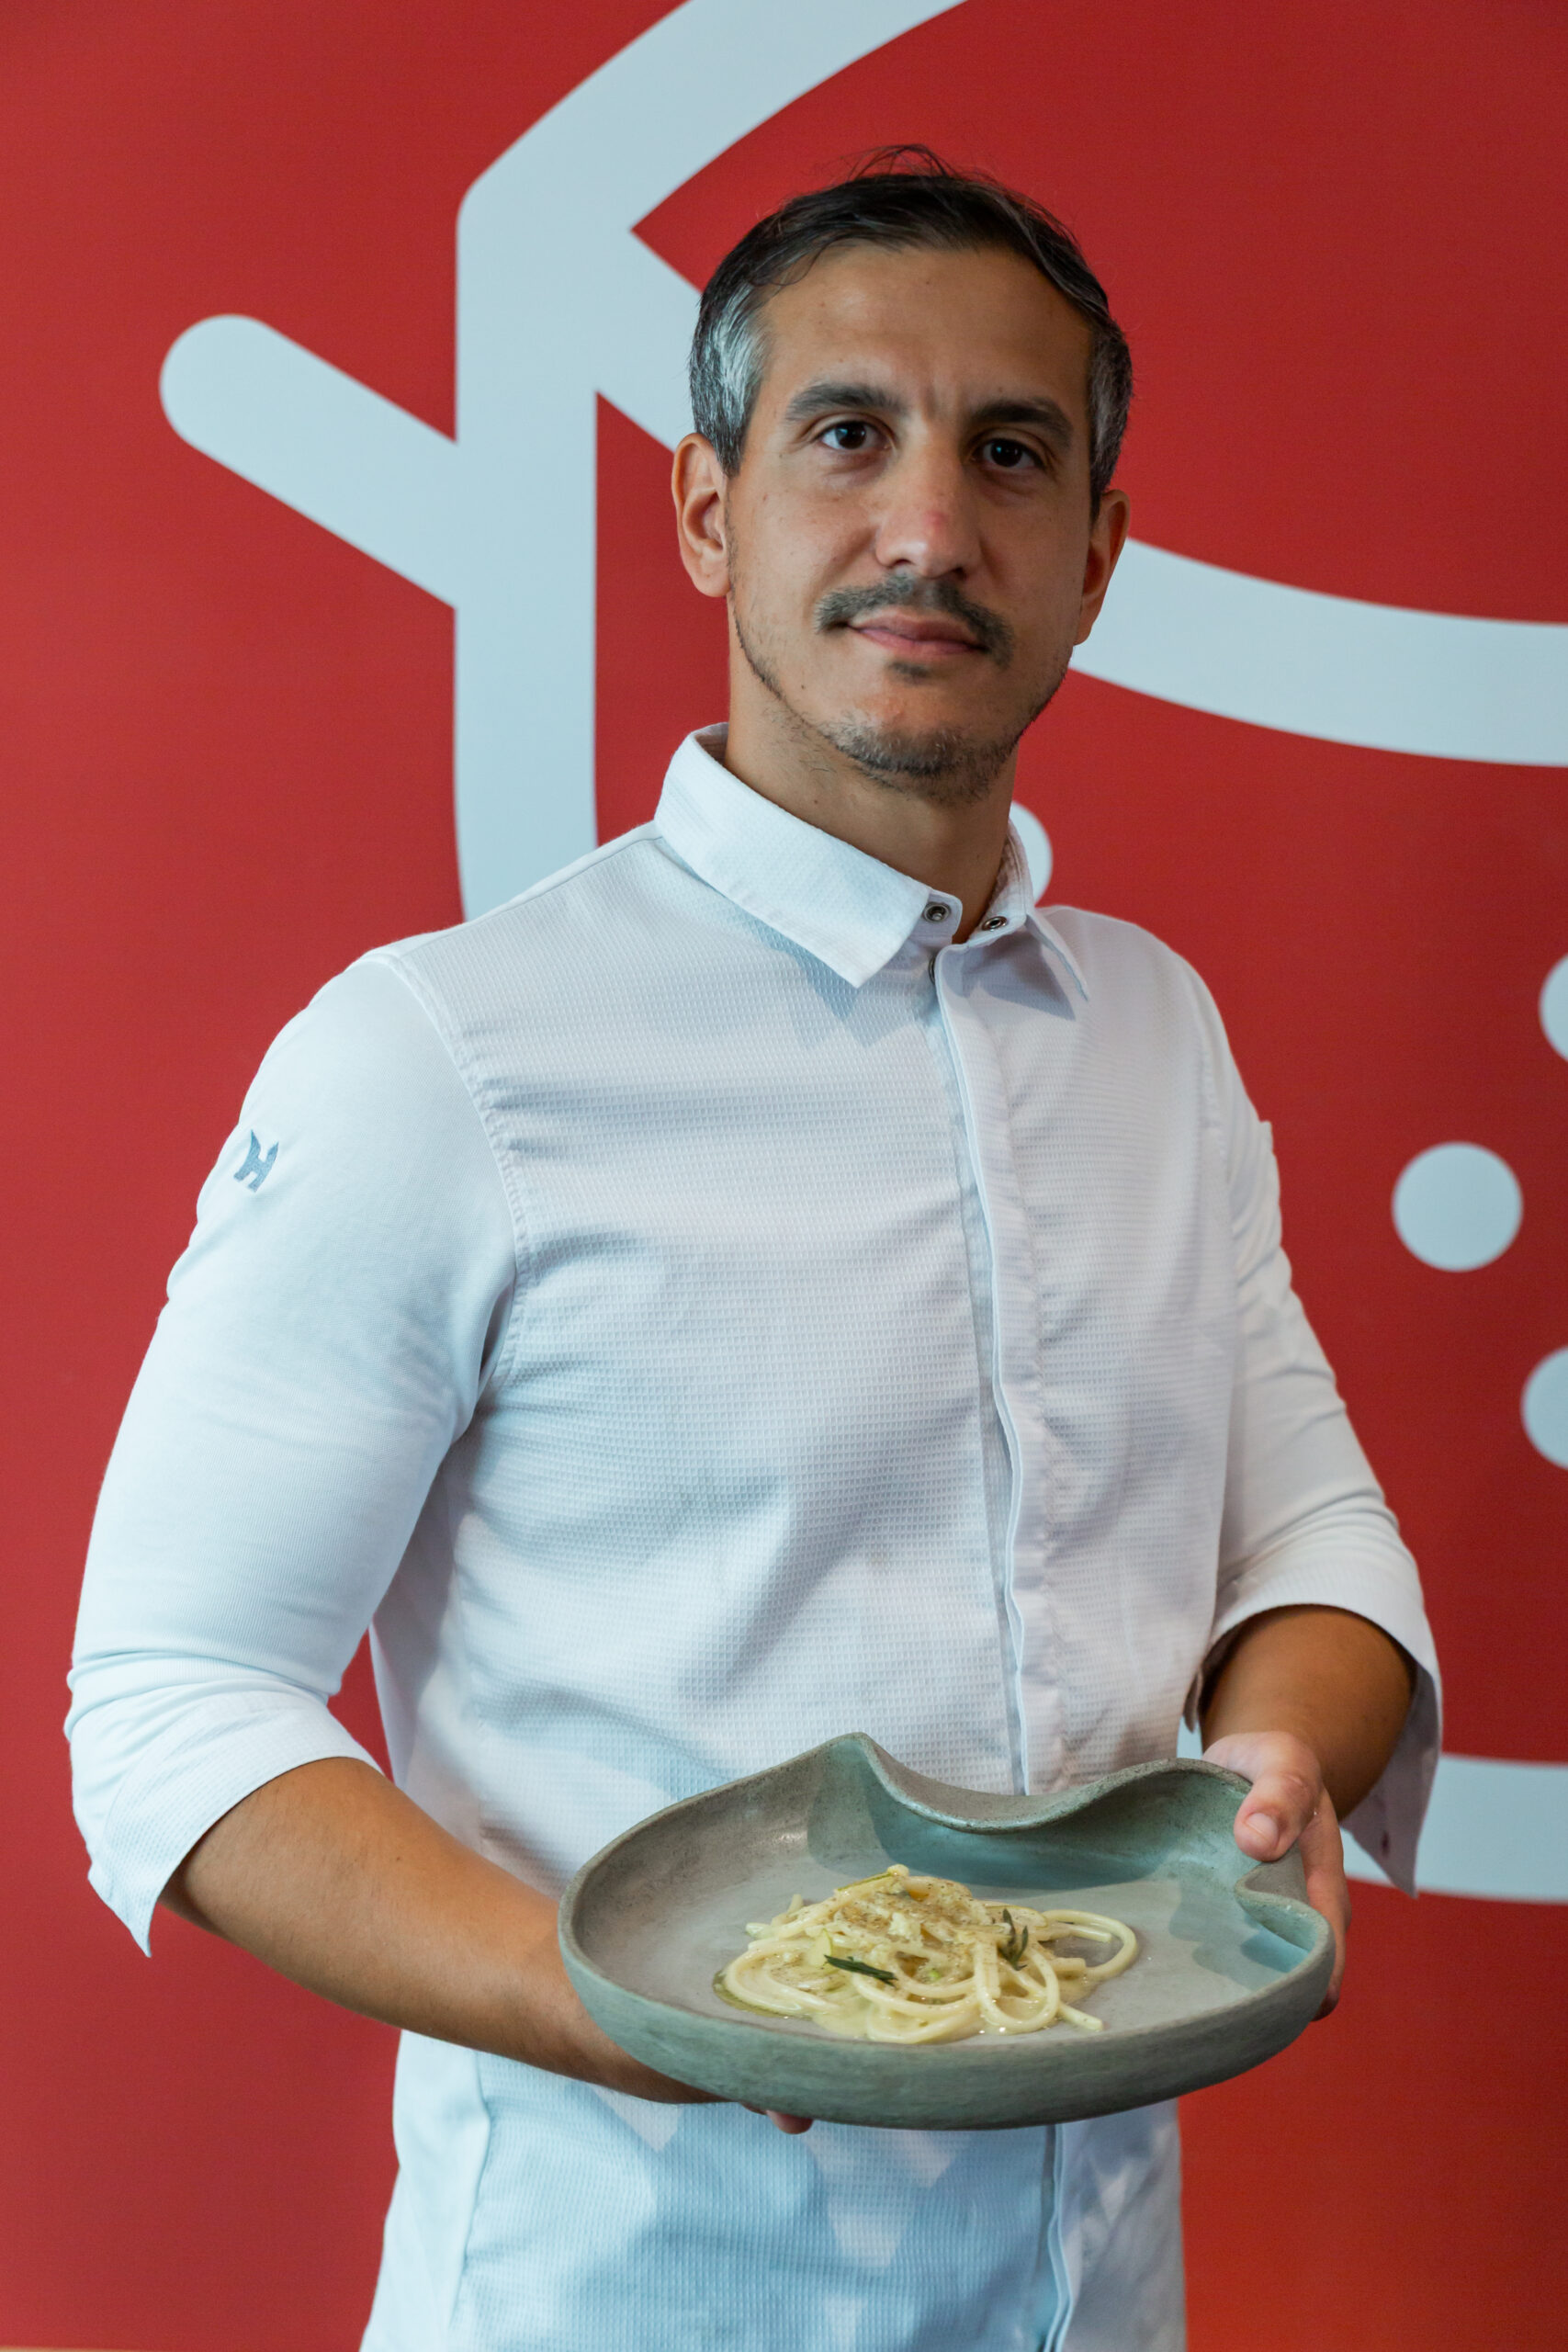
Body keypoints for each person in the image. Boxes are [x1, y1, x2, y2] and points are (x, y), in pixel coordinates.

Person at [68, 154, 1438, 2351]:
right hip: (626, 2289)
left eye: (1010, 454)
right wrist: (627, 2011)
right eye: (844, 435)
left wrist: (1270, 1769)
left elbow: (1317, 1541)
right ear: (707, 511)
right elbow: (161, 1706)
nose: (927, 526)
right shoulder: (444, 1052)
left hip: (1100, 2291)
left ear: (1095, 553)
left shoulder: (1156, 1036)